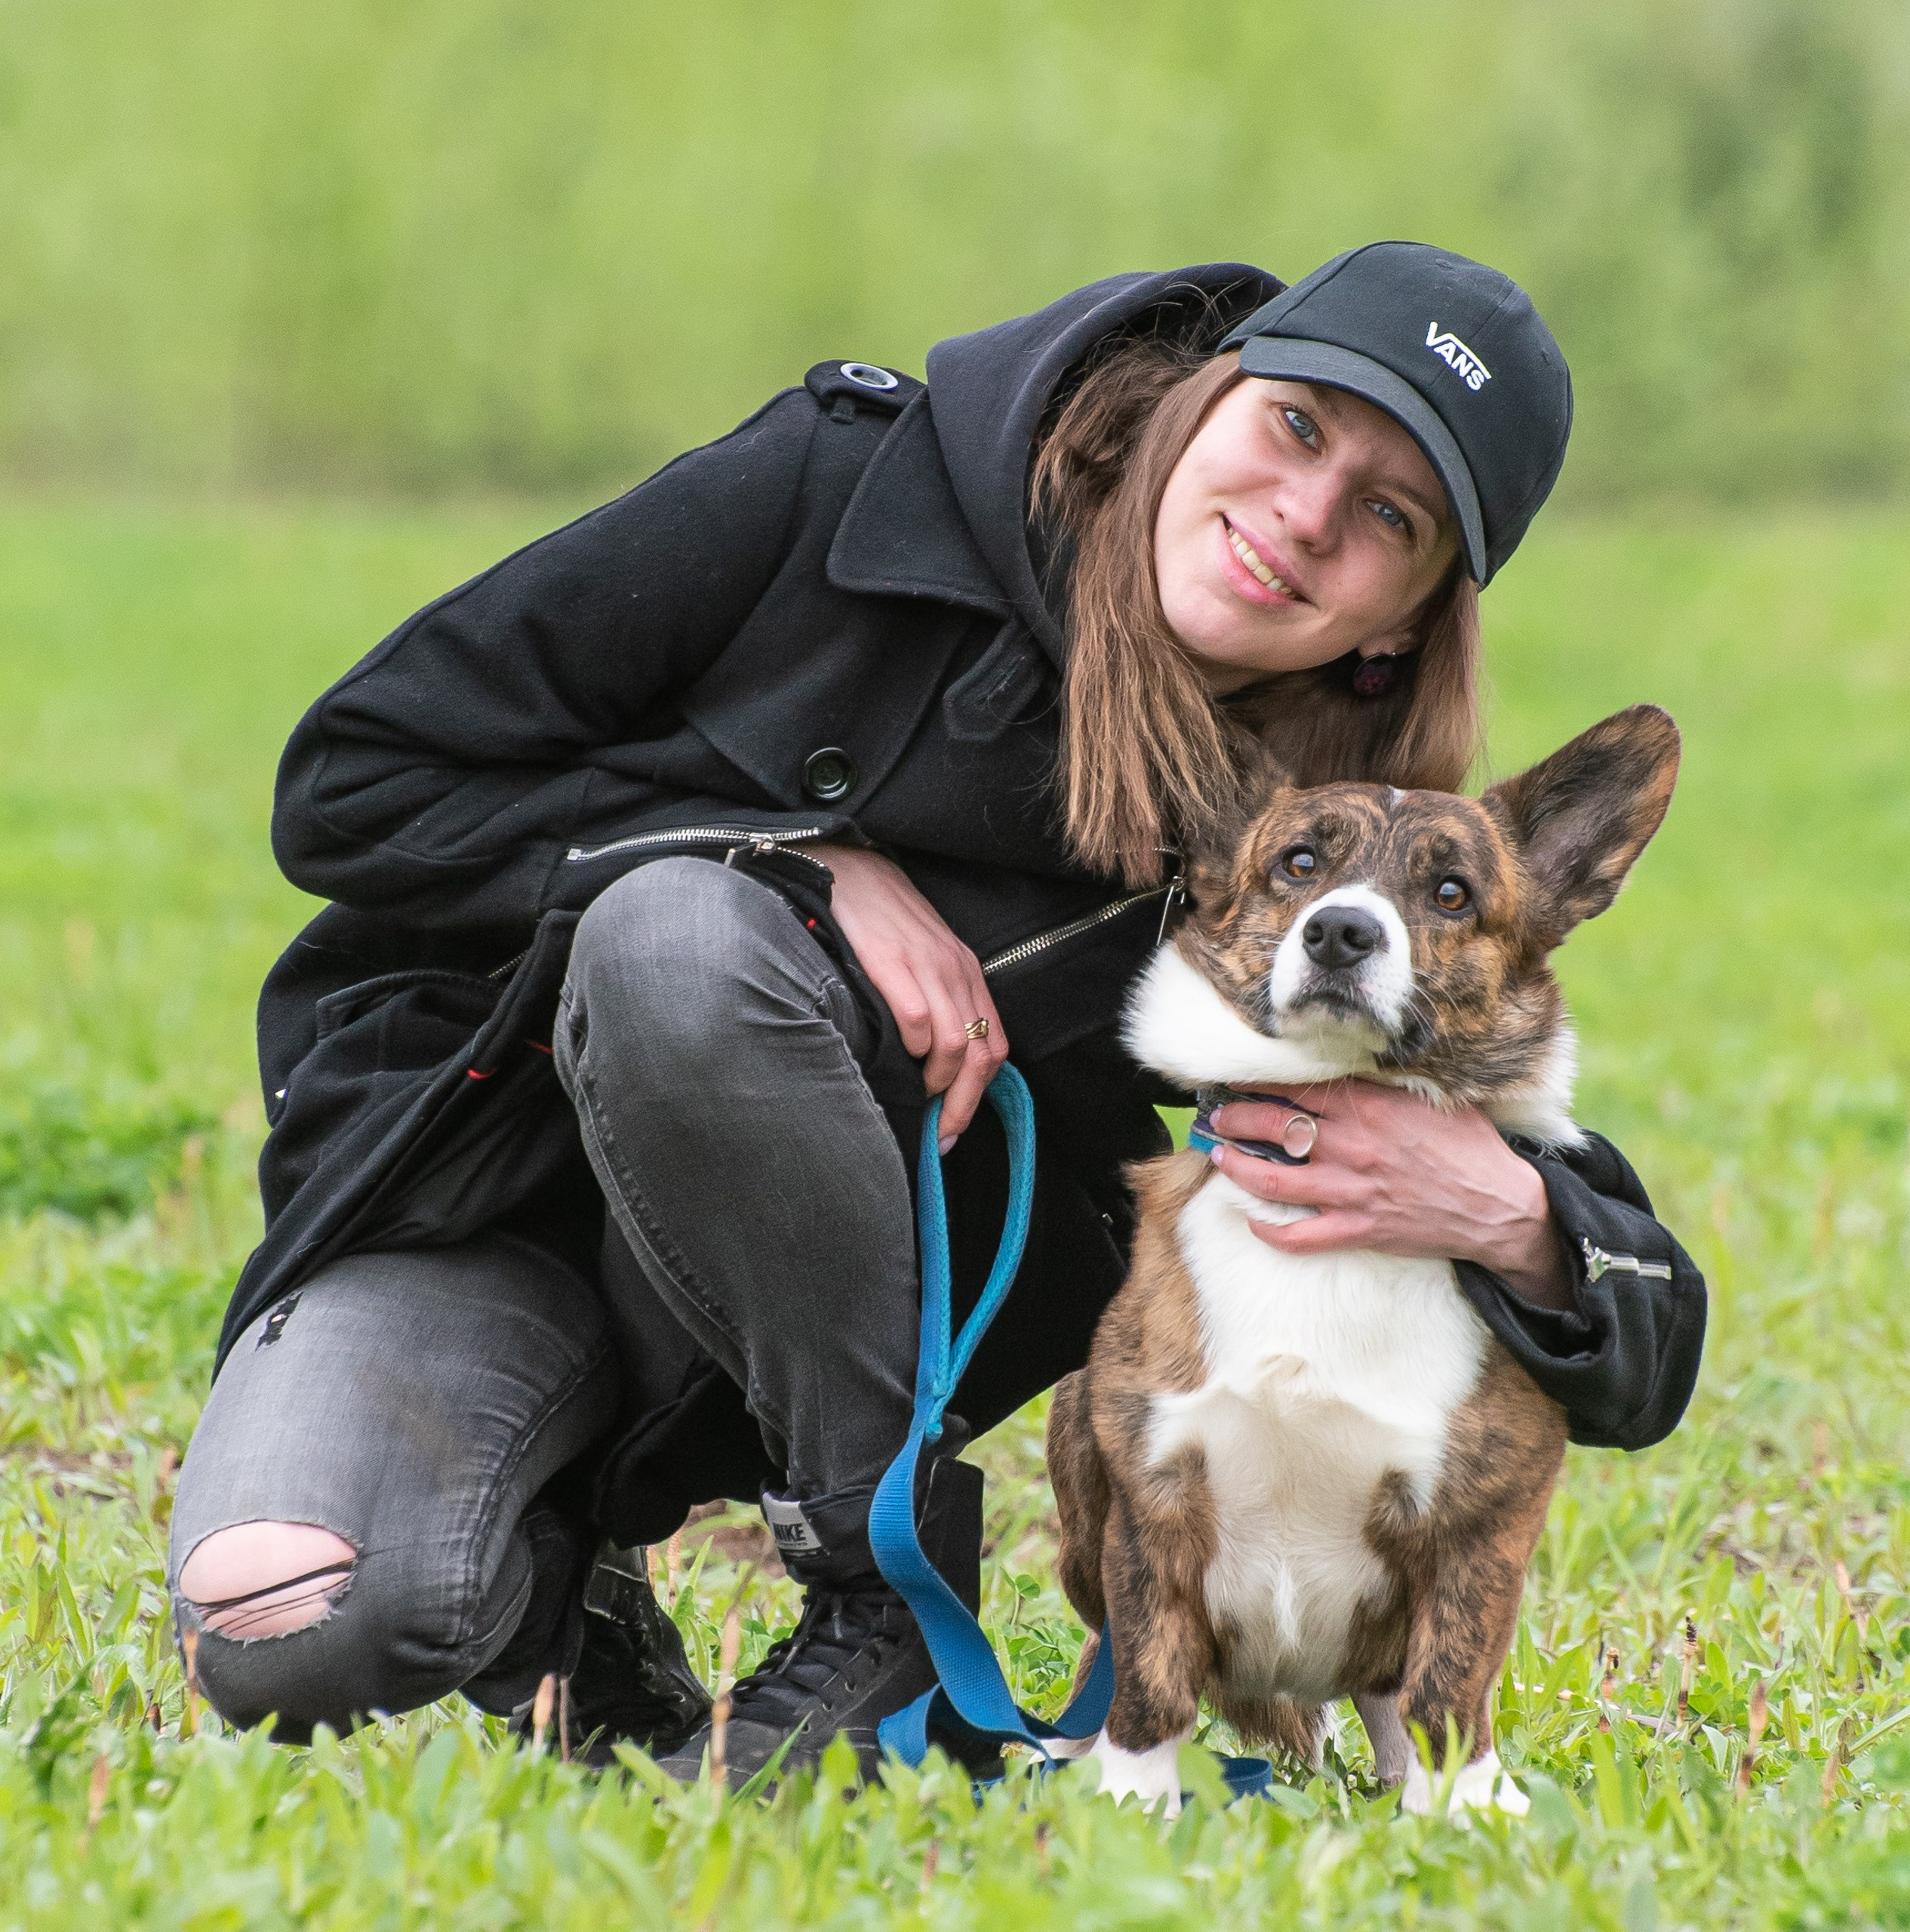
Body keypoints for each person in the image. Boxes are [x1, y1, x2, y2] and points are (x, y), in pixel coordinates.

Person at [167, 244, 1706, 1780]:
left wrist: (1519, 1221)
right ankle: (554, 1580)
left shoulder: (1297, 851)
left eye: (1389, 516)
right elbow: (353, 781)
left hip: (806, 1325)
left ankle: (875, 1600)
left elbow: (1609, 1291)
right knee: (294, 1621)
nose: (1305, 515)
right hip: (478, 1203)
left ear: (1401, 620)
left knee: (687, 949)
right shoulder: (834, 489)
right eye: (1298, 425)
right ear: (1207, 392)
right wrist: (787, 854)